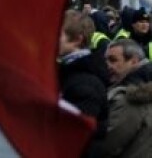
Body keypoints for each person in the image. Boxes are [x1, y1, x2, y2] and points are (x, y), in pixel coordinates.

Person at [89, 38, 152, 157]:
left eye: (113, 60)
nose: (107, 65)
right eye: (106, 60)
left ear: (133, 61)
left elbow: (107, 144)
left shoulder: (133, 97)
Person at [58, 9, 108, 157]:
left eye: (58, 35)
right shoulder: (72, 72)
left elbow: (75, 135)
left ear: (77, 40)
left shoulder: (84, 83)